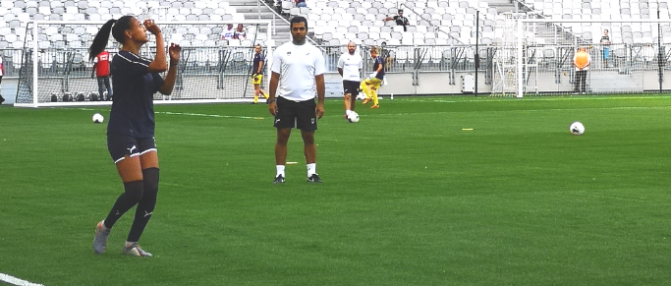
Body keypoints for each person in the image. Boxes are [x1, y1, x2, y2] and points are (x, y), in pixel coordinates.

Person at [89, 16, 180, 257]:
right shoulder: (123, 59)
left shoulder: (140, 63)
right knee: (135, 190)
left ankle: (131, 244)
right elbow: (158, 65)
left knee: (151, 187)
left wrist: (174, 63)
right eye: (139, 25)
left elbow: (166, 89)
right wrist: (159, 34)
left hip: (144, 131)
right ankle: (104, 227)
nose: (144, 28)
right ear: (128, 34)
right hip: (122, 131)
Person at [267, 16, 325, 184]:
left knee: (309, 136)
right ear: (291, 30)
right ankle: (280, 174)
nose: (298, 31)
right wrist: (271, 100)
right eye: (295, 29)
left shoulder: (314, 52)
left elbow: (319, 79)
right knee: (282, 136)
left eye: (301, 28)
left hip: (307, 101)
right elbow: (274, 77)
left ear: (306, 30)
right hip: (285, 100)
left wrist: (320, 103)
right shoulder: (281, 51)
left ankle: (312, 173)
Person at [337, 42, 362, 118]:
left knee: (354, 97)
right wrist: (344, 75)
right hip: (347, 79)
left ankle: (351, 112)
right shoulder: (343, 56)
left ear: (355, 47)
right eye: (350, 46)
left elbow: (359, 68)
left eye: (353, 46)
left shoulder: (358, 57)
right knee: (347, 96)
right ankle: (347, 113)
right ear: (347, 47)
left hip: (356, 79)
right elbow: (339, 68)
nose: (351, 48)